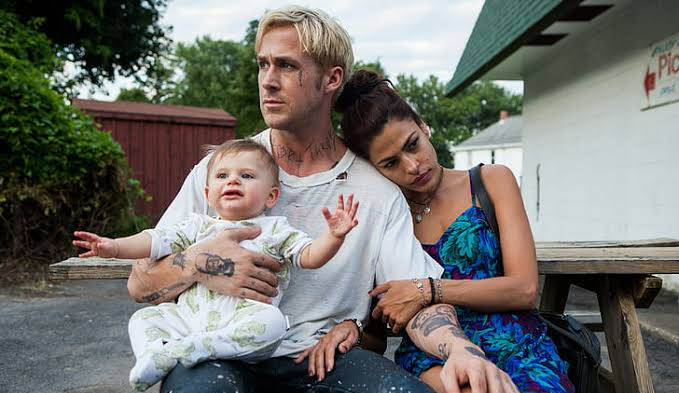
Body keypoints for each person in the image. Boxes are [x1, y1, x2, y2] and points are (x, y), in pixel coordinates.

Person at [126, 6, 518, 393]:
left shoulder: (376, 192)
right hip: (215, 353)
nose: (268, 81)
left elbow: (419, 300)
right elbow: (141, 284)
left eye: (287, 66)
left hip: (325, 359)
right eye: (263, 65)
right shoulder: (222, 171)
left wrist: (463, 352)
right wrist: (200, 264)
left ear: (331, 79)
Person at [334, 69, 575, 393]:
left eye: (413, 145)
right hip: (433, 359)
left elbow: (524, 289)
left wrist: (427, 289)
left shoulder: (492, 182)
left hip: (519, 347)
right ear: (374, 168)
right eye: (391, 163)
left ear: (423, 126)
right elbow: (379, 325)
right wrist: (350, 331)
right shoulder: (386, 217)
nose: (413, 166)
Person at [73, 139, 360, 391]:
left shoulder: (275, 229)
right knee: (143, 319)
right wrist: (114, 247)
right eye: (223, 175)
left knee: (272, 325)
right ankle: (153, 356)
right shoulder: (197, 227)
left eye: (246, 175)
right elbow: (153, 241)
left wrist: (333, 237)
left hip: (241, 320)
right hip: (188, 318)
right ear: (209, 193)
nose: (233, 181)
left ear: (271, 196)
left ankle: (198, 348)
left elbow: (309, 256)